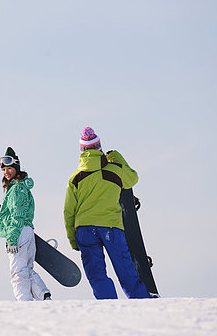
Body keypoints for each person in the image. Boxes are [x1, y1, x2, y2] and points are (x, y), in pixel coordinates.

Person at [64, 127, 152, 299]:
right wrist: (116, 157)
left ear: (81, 151)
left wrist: (73, 240)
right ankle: (141, 300)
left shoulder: (75, 177)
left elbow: (69, 212)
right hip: (111, 227)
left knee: (96, 274)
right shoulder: (113, 170)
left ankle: (108, 305)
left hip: (85, 229)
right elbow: (133, 178)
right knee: (125, 269)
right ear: (99, 148)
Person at [0, 147, 51, 301]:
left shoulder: (16, 190)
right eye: (4, 169)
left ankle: (24, 303)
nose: (6, 172)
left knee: (18, 272)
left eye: (9, 169)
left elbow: (17, 215)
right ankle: (43, 296)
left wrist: (12, 238)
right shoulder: (20, 187)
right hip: (27, 231)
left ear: (16, 168)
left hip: (18, 232)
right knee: (27, 269)